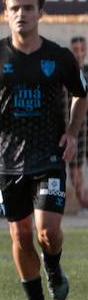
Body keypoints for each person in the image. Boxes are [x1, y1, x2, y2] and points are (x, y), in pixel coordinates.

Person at [0, 0, 84, 300]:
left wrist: (73, 133)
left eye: (28, 8)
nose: (22, 14)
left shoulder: (59, 57)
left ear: (40, 13)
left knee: (47, 231)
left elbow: (81, 94)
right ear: (5, 14)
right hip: (6, 160)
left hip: (48, 155)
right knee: (19, 235)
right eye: (15, 8)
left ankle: (53, 264)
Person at [66, 36, 88, 214]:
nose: (79, 53)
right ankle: (84, 204)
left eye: (82, 49)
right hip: (74, 127)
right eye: (75, 49)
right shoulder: (66, 73)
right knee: (75, 168)